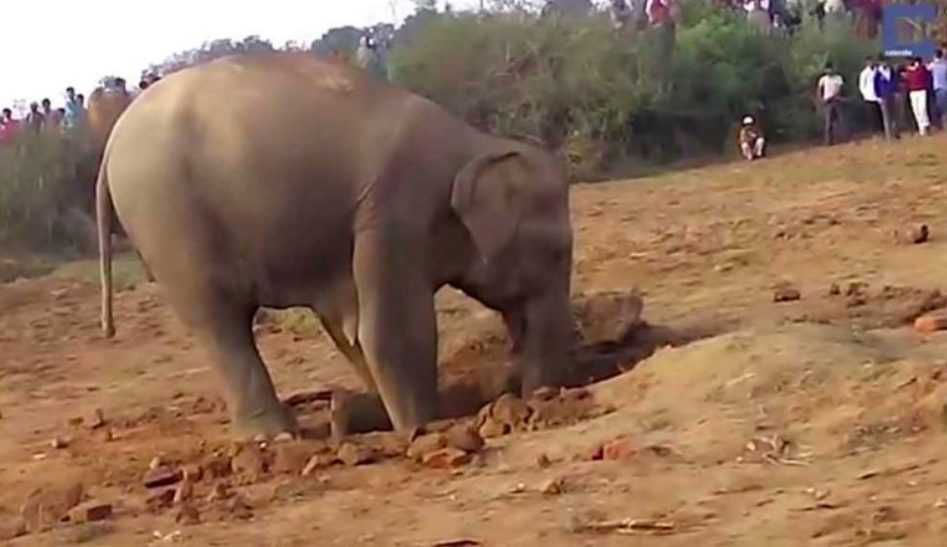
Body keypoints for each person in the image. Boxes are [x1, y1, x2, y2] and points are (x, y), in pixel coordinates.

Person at [874, 55, 900, 140]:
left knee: (895, 114)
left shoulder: (891, 71)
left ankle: (895, 132)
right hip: (883, 96)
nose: (885, 63)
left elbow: (895, 81)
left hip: (892, 94)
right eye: (883, 62)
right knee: (886, 116)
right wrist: (878, 97)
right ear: (880, 63)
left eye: (886, 61)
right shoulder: (878, 73)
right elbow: (876, 86)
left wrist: (896, 91)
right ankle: (889, 135)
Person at [817, 63, 844, 145]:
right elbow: (819, 90)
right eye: (828, 69)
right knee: (828, 122)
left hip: (836, 100)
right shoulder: (823, 79)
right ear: (825, 70)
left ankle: (842, 138)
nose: (829, 71)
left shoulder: (838, 78)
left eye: (831, 69)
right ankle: (828, 141)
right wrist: (821, 99)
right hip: (827, 102)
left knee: (840, 120)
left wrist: (833, 96)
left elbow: (839, 90)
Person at [904, 56, 932, 135]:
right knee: (916, 110)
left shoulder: (921, 69)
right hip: (913, 92)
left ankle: (925, 124)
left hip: (922, 91)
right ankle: (921, 128)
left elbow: (927, 69)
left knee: (922, 109)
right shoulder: (908, 71)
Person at [858, 56, 882, 135]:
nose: (871, 63)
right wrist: (865, 95)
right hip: (869, 97)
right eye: (869, 62)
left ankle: (881, 131)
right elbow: (862, 86)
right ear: (866, 63)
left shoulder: (878, 71)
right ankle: (874, 132)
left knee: (879, 115)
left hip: (878, 96)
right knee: (872, 116)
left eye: (872, 61)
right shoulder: (864, 73)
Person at [928, 49, 947, 128]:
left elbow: (927, 68)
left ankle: (944, 124)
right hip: (945, 86)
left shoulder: (933, 64)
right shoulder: (945, 63)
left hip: (939, 88)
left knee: (942, 107)